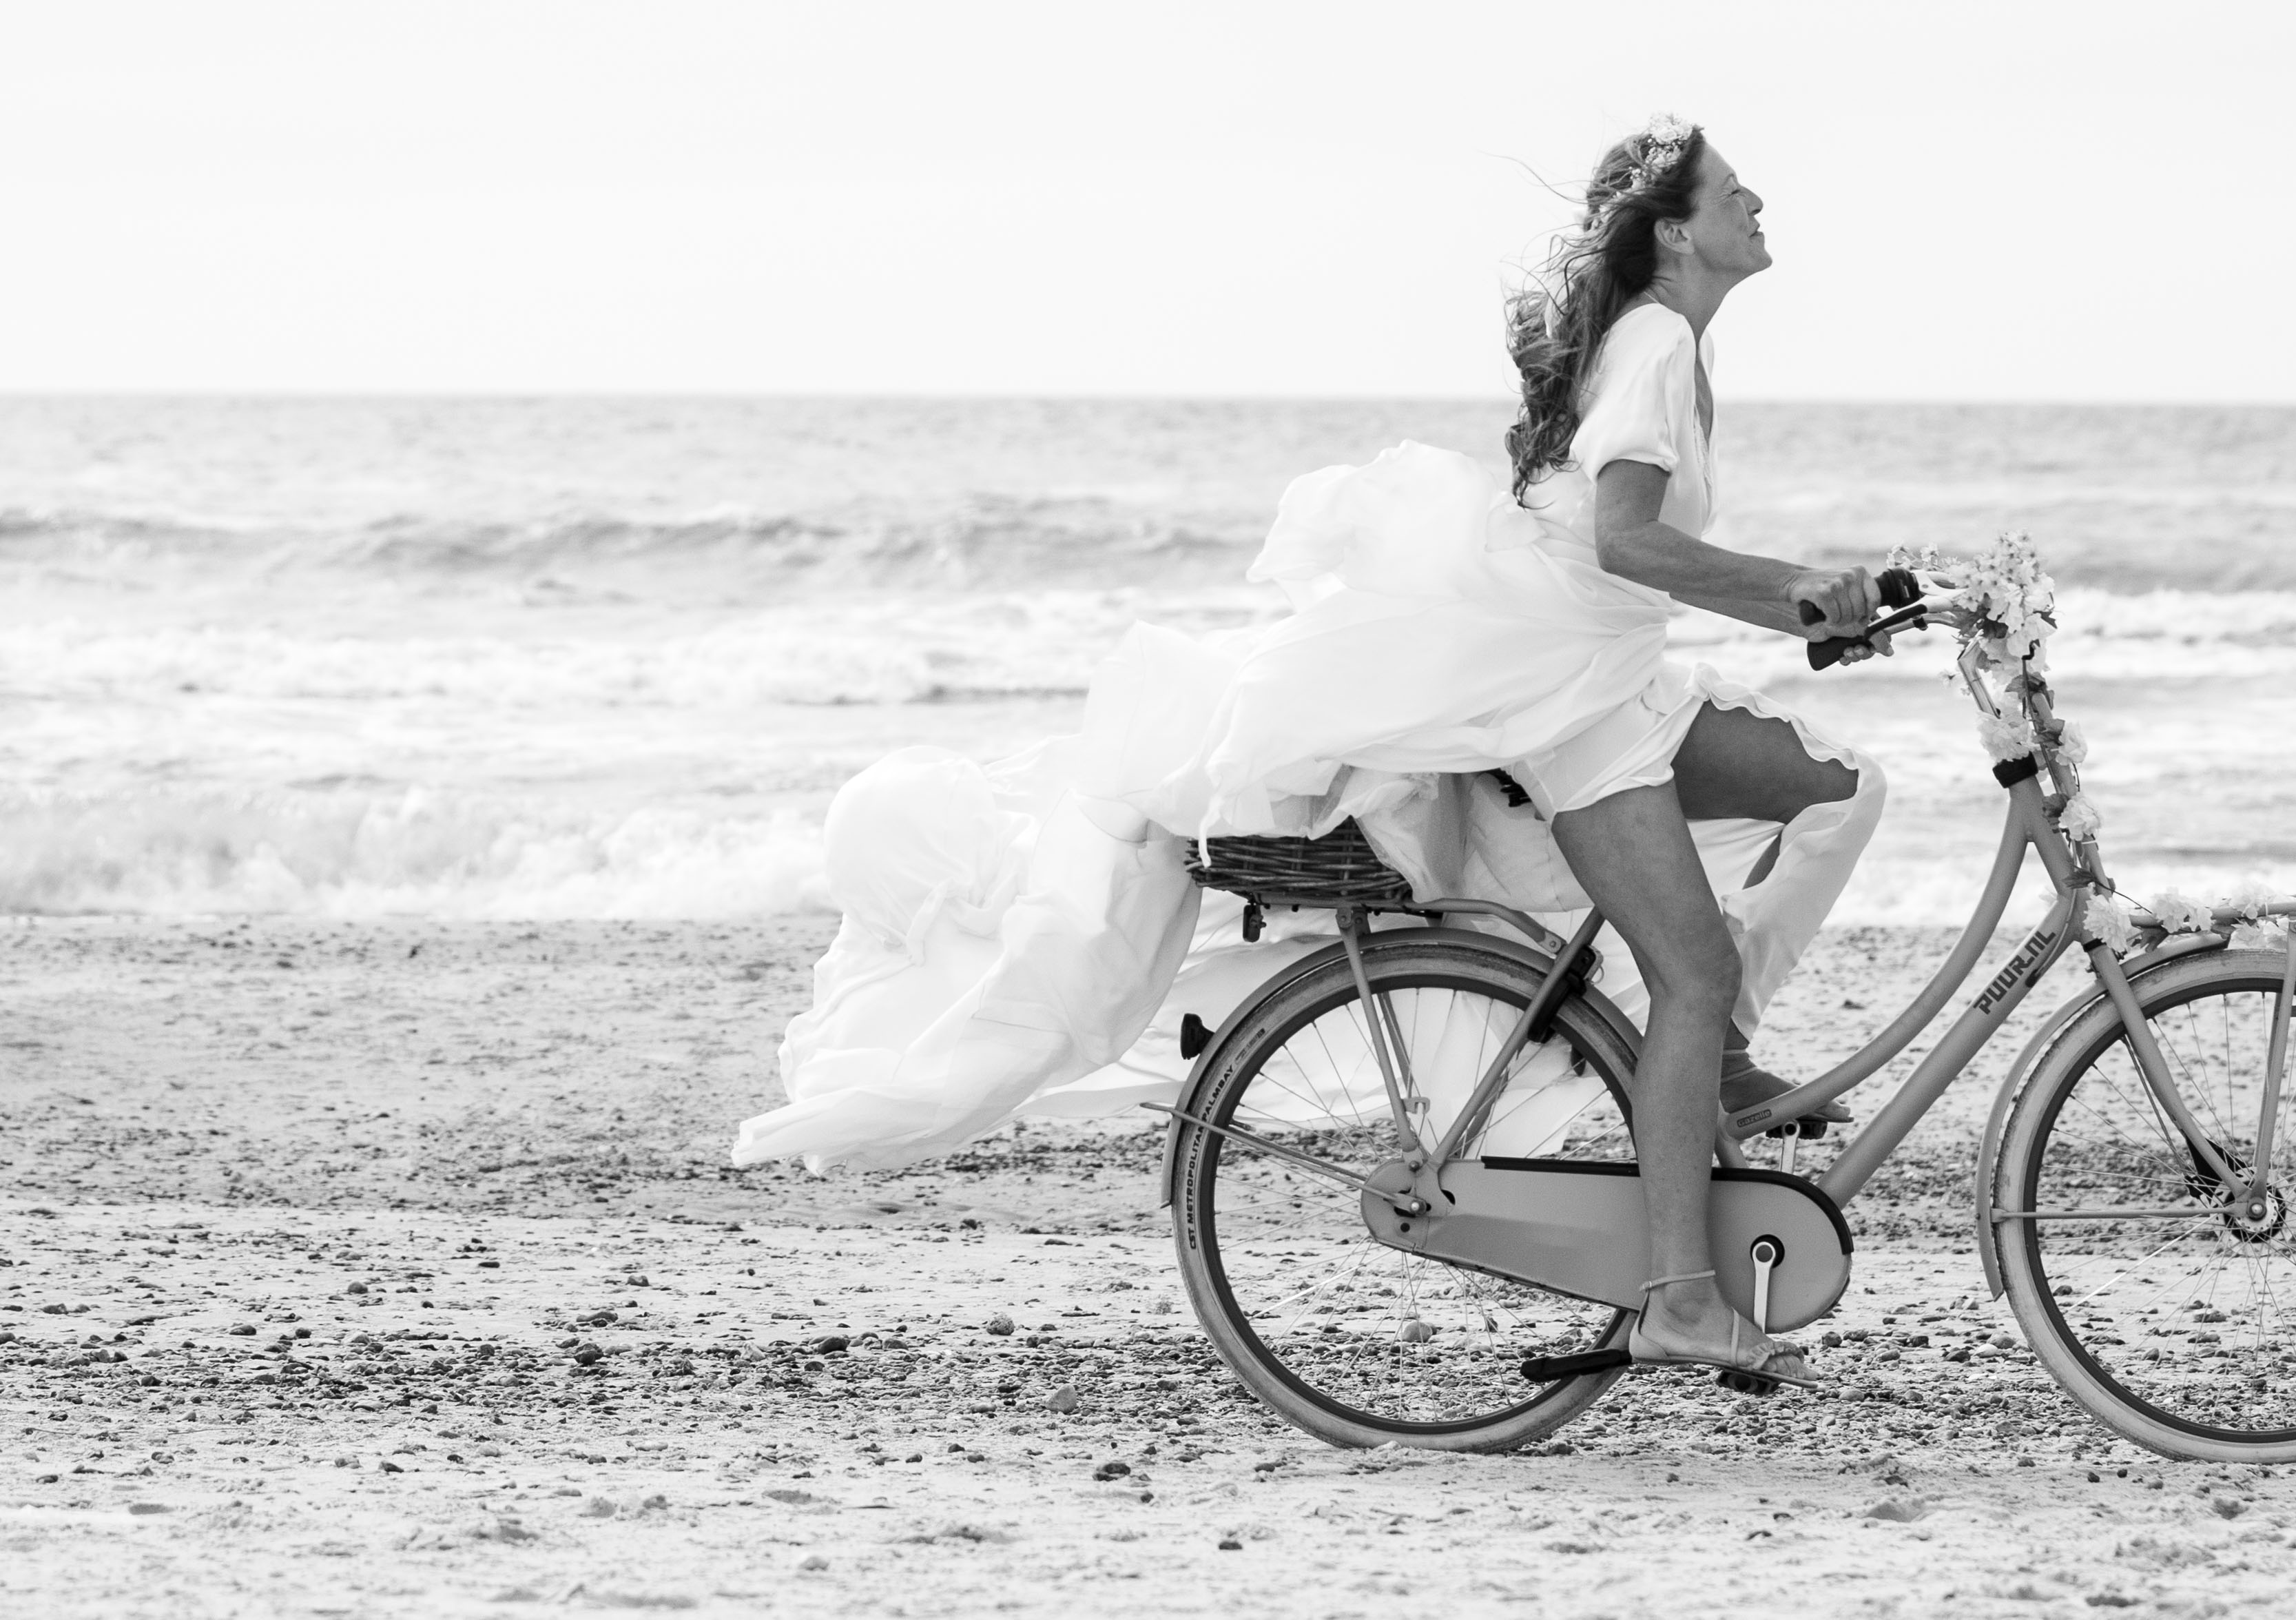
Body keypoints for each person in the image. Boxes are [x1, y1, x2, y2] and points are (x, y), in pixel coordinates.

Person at [736, 116, 1876, 1389]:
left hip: (1602, 672)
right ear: (1675, 229)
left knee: (1835, 789)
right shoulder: (1659, 340)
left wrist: (1859, 601)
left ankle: (1713, 1072)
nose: (1759, 199)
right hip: (1573, 704)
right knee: (1695, 967)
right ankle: (1676, 1291)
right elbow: (1624, 539)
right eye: (1734, 189)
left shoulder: (1661, 343)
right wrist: (1795, 594)